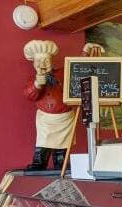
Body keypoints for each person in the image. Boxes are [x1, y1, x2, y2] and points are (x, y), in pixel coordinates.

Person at [23, 40, 75, 171]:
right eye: (38, 62)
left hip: (65, 118)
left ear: (52, 61)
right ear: (34, 63)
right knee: (43, 142)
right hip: (45, 119)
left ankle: (61, 164)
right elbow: (29, 95)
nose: (42, 65)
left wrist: (86, 52)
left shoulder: (63, 73)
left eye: (45, 61)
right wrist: (37, 84)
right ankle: (39, 164)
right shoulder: (32, 80)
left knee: (62, 144)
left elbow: (78, 68)